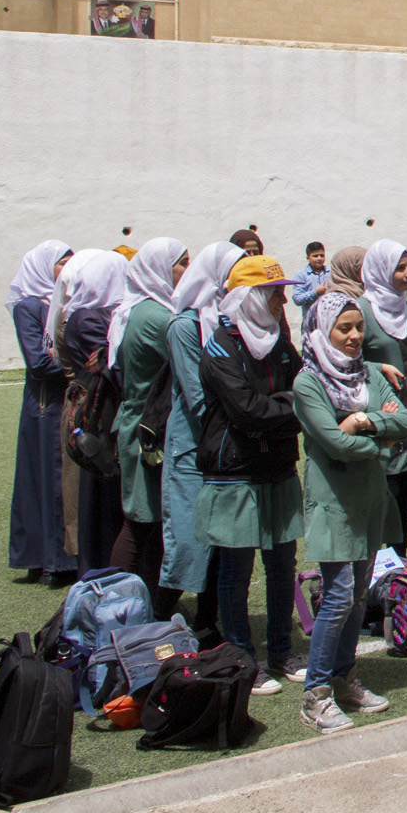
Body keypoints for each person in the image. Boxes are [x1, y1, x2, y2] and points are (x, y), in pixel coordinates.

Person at [291, 292, 407, 730]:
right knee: (339, 594)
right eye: (344, 328)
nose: (355, 335)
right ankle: (315, 693)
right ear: (323, 331)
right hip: (333, 500)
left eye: (359, 327)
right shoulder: (308, 383)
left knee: (358, 594)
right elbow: (332, 444)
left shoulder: (367, 374)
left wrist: (364, 422)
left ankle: (343, 677)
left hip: (368, 496)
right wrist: (382, 442)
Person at [198, 255, 306, 694]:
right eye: (275, 292)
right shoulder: (221, 345)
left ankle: (280, 652)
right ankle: (243, 656)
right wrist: (289, 407)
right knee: (235, 570)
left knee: (282, 563)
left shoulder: (279, 342)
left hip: (276, 464)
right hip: (235, 471)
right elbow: (247, 409)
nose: (284, 299)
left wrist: (282, 406)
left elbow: (306, 390)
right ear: (251, 298)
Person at [162, 242, 239, 642]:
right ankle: (159, 622)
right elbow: (197, 397)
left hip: (224, 443)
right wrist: (246, 411)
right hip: (195, 446)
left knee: (221, 540)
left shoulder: (229, 321)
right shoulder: (185, 326)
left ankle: (208, 623)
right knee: (191, 541)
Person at [108, 238, 188, 603]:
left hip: (138, 423)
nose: (188, 271)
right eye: (181, 263)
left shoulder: (140, 308)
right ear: (160, 268)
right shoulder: (157, 317)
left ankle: (148, 602)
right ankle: (114, 604)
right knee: (140, 523)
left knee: (150, 522)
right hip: (149, 429)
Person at [51, 248, 128, 573]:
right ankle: (100, 572)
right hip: (96, 416)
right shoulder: (87, 317)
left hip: (102, 409)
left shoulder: (97, 313)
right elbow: (113, 365)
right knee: (98, 498)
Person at [5, 239, 76, 583]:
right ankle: (52, 560)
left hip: (62, 400)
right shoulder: (29, 307)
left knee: (61, 478)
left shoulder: (68, 303)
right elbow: (37, 362)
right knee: (48, 478)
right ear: (45, 267)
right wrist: (79, 363)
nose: (69, 267)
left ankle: (60, 556)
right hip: (46, 404)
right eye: (63, 262)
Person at [355, 241, 407, 548]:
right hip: (381, 419)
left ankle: (397, 581)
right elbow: (343, 362)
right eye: (400, 268)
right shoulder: (362, 311)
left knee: (403, 503)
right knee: (383, 504)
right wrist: (377, 366)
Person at [292, 242, 329, 311]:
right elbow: (297, 299)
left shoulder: (331, 273)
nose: (319, 258)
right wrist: (315, 292)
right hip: (311, 319)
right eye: (315, 256)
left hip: (329, 318)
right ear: (308, 258)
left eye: (322, 255)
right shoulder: (301, 275)